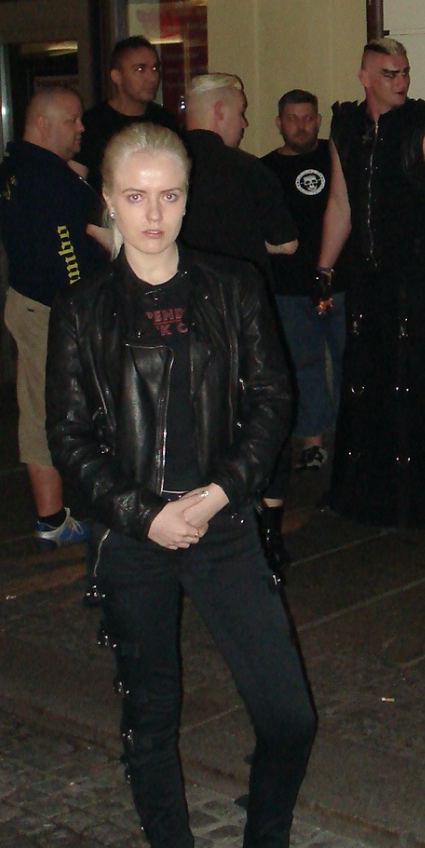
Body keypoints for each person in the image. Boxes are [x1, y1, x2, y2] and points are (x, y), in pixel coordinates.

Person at [46, 123, 326, 848]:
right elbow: (69, 440)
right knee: (150, 722)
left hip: (223, 523)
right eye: (135, 196)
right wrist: (146, 515)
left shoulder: (233, 285)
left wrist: (215, 494)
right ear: (108, 201)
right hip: (132, 538)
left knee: (289, 716)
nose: (153, 214)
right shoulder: (82, 310)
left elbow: (271, 401)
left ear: (187, 197)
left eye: (168, 195)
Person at [317, 38, 425, 528]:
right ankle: (368, 497)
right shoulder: (345, 126)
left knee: (419, 380)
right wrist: (324, 269)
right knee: (366, 380)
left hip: (415, 274)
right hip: (366, 276)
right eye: (390, 73)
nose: (402, 81)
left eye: (404, 71)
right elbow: (341, 203)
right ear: (365, 76)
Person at [181, 73, 298, 575]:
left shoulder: (158, 164)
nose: (246, 122)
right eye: (242, 111)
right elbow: (287, 242)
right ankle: (267, 529)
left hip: (178, 316)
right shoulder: (249, 170)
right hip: (244, 319)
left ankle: (192, 518)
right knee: (265, 413)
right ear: (220, 112)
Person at [0, 85, 109, 546]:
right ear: (42, 123)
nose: (81, 128)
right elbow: (66, 252)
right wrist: (84, 304)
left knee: (48, 404)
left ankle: (59, 512)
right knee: (44, 408)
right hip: (51, 310)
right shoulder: (47, 179)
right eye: (71, 120)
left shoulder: (17, 167)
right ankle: (52, 519)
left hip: (37, 303)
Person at [262, 90, 346, 472]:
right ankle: (312, 441)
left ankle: (351, 437)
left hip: (340, 282)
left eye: (308, 118)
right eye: (293, 118)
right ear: (278, 123)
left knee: (349, 360)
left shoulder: (337, 157)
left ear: (319, 121)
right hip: (290, 288)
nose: (301, 126)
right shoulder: (264, 170)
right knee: (303, 365)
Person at [79, 35, 180, 192]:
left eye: (154, 69)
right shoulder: (92, 124)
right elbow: (77, 182)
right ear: (117, 77)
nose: (151, 78)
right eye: (140, 69)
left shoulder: (165, 122)